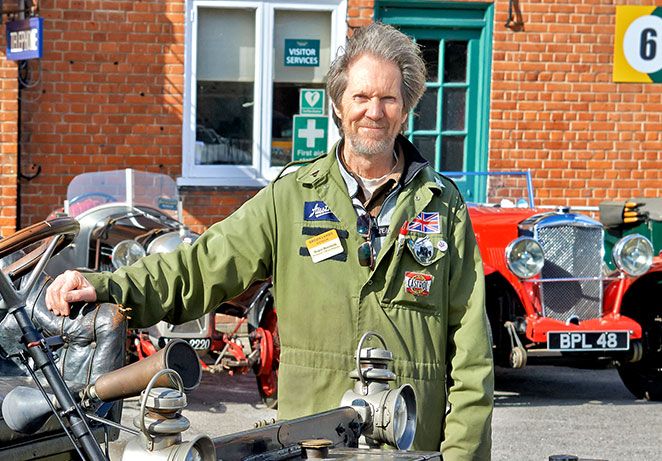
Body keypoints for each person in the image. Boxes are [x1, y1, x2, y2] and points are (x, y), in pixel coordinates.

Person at [46, 22, 494, 459]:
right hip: (313, 445)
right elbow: (202, 264)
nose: (373, 111)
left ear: (405, 107)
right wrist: (108, 287)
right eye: (360, 96)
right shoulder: (291, 197)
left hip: (409, 447)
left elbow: (472, 356)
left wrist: (462, 455)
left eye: (387, 98)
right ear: (338, 105)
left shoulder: (443, 206)